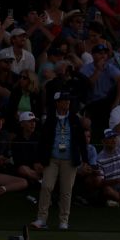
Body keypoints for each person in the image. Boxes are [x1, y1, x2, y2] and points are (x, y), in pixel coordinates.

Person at [31, 92, 88, 230]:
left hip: (69, 160)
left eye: (68, 100)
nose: (67, 103)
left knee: (66, 190)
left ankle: (64, 220)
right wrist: (38, 160)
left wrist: (85, 160)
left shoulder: (74, 119)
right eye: (63, 100)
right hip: (52, 159)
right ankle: (41, 219)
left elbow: (82, 141)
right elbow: (43, 141)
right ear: (57, 103)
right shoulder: (50, 119)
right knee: (46, 186)